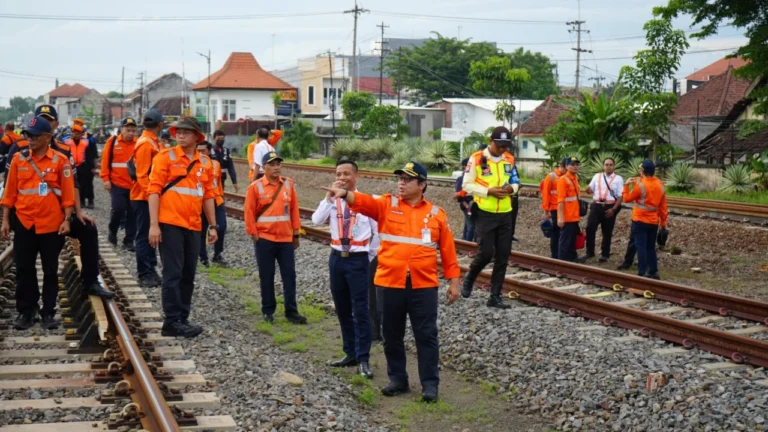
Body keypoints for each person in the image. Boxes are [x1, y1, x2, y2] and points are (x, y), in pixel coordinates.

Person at [322, 161, 460, 403]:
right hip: (389, 282)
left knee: (426, 335)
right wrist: (344, 193)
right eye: (400, 178)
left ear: (422, 184)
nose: (401, 183)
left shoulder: (437, 214)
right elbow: (365, 202)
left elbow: (448, 252)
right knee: (391, 334)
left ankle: (430, 384)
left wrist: (454, 281)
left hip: (423, 285)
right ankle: (398, 379)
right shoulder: (387, 204)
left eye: (407, 179)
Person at [5, 105, 112, 300]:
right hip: (27, 214)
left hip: (59, 212)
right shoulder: (20, 147)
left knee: (88, 229)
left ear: (54, 124)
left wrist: (76, 213)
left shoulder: (63, 150)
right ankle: (28, 305)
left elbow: (73, 183)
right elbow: (10, 185)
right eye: (41, 118)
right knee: (25, 261)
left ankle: (90, 281)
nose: (47, 122)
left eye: (50, 119)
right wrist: (8, 219)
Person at [1, 116, 76, 329]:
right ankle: (27, 310)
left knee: (51, 270)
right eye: (27, 135)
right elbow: (9, 194)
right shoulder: (18, 159)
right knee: (24, 269)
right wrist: (6, 220)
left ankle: (48, 312)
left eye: (34, 136)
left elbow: (68, 195)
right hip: (25, 223)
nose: (29, 139)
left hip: (52, 225)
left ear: (47, 137)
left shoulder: (61, 161)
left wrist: (68, 220)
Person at [147, 116, 218, 338]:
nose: (180, 134)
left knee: (189, 274)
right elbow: (154, 191)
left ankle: (183, 318)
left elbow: (208, 196)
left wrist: (213, 226)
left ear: (197, 137)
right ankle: (171, 321)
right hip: (170, 225)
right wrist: (153, 225)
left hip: (194, 226)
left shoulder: (205, 163)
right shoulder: (164, 157)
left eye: (186, 132)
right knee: (172, 274)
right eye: (178, 131)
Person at [311, 159, 377, 379]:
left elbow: (378, 233)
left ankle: (363, 358)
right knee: (342, 307)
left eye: (346, 174)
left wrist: (368, 257)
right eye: (339, 173)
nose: (342, 178)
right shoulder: (332, 202)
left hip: (358, 260)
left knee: (361, 310)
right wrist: (329, 198)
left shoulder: (366, 202)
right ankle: (349, 352)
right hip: (337, 258)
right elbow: (316, 219)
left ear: (355, 176)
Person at [244, 151, 307, 325]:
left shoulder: (288, 185)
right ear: (263, 167)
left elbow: (294, 209)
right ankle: (268, 310)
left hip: (285, 239)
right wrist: (254, 234)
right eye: (271, 164)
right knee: (267, 275)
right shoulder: (255, 187)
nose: (276, 167)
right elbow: (248, 212)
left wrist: (296, 233)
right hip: (265, 239)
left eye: (278, 164)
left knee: (289, 275)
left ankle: (291, 311)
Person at [460, 126, 517, 309]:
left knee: (503, 255)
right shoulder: (477, 159)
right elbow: (467, 185)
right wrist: (488, 191)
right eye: (499, 145)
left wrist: (511, 189)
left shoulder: (509, 159)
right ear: (491, 141)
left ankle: (495, 295)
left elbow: (516, 181)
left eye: (506, 145)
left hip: (506, 213)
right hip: (485, 212)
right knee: (485, 253)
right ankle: (470, 277)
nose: (502, 149)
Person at [131, 108, 164, 288]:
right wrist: (151, 196)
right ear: (160, 124)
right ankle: (144, 273)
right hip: (142, 197)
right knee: (144, 236)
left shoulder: (151, 141)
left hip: (145, 196)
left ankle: (150, 269)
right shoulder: (146, 143)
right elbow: (142, 175)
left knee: (150, 236)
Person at [622, 160, 668, 279]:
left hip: (640, 220)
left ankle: (642, 272)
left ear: (642, 171)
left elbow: (626, 199)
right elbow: (663, 207)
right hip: (653, 221)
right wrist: (663, 223)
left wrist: (626, 185)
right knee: (650, 247)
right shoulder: (660, 185)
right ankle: (653, 271)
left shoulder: (640, 186)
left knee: (640, 246)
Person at [101, 117, 138, 251]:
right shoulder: (112, 142)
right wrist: (106, 179)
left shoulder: (138, 143)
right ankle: (113, 231)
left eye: (133, 130)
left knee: (133, 214)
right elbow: (105, 162)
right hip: (117, 183)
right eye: (128, 130)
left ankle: (129, 240)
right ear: (121, 129)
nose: (130, 133)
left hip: (134, 185)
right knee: (118, 209)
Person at [581, 157, 624, 263]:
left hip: (609, 207)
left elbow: (620, 197)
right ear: (603, 166)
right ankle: (589, 252)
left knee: (607, 231)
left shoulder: (618, 179)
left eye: (610, 164)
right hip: (596, 206)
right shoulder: (597, 176)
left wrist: (613, 210)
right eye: (606, 164)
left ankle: (605, 254)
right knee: (590, 228)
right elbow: (590, 189)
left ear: (614, 166)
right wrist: (588, 190)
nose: (608, 166)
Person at [197, 141, 228, 266]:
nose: (200, 153)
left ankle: (217, 254)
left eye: (203, 150)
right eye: (198, 150)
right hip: (201, 201)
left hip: (216, 200)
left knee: (221, 227)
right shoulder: (193, 163)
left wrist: (220, 195)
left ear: (209, 151)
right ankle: (203, 257)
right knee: (201, 230)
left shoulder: (215, 164)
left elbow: (218, 182)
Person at [557, 156, 582, 262]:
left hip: (574, 216)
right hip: (567, 217)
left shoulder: (574, 178)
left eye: (577, 164)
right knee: (565, 242)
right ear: (566, 166)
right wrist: (561, 218)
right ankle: (562, 263)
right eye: (572, 164)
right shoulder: (563, 180)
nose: (575, 167)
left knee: (572, 240)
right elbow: (561, 201)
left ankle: (572, 260)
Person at [541, 159, 567, 259]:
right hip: (555, 209)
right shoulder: (551, 176)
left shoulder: (566, 177)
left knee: (563, 233)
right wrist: (546, 212)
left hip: (564, 209)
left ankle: (561, 254)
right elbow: (545, 195)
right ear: (563, 167)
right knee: (556, 233)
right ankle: (555, 255)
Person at [66, 121, 92, 208]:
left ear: (81, 134)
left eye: (78, 133)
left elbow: (89, 155)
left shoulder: (86, 142)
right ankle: (73, 201)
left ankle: (82, 201)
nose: (76, 135)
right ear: (72, 132)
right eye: (75, 133)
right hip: (71, 166)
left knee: (83, 184)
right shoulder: (66, 141)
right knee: (72, 184)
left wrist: (90, 166)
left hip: (82, 166)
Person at [454, 158, 475, 242]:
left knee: (468, 224)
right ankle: (468, 244)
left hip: (472, 204)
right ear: (464, 166)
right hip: (467, 204)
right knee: (471, 226)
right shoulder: (461, 179)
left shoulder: (472, 178)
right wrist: (467, 206)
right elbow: (459, 195)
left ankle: (464, 240)